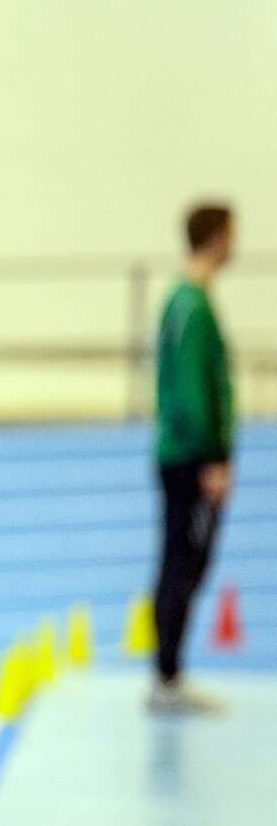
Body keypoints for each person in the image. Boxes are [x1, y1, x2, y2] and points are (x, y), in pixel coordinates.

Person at [150, 202, 236, 716]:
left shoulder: (190, 300)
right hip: (189, 455)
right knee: (182, 562)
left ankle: (169, 673)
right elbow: (190, 389)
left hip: (186, 452)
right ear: (217, 237)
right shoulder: (190, 304)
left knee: (182, 561)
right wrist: (213, 458)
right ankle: (167, 676)